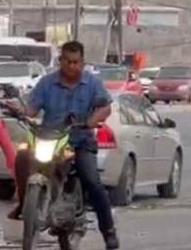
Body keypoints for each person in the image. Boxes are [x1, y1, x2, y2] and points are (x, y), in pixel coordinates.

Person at [8, 40, 119, 250]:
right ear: (60, 61)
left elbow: (105, 107)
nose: (71, 66)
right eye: (67, 61)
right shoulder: (46, 83)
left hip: (80, 142)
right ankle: (25, 205)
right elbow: (31, 109)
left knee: (92, 181)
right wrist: (20, 111)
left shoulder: (92, 83)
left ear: (82, 62)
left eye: (76, 62)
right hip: (49, 139)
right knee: (22, 159)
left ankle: (109, 231)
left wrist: (93, 120)